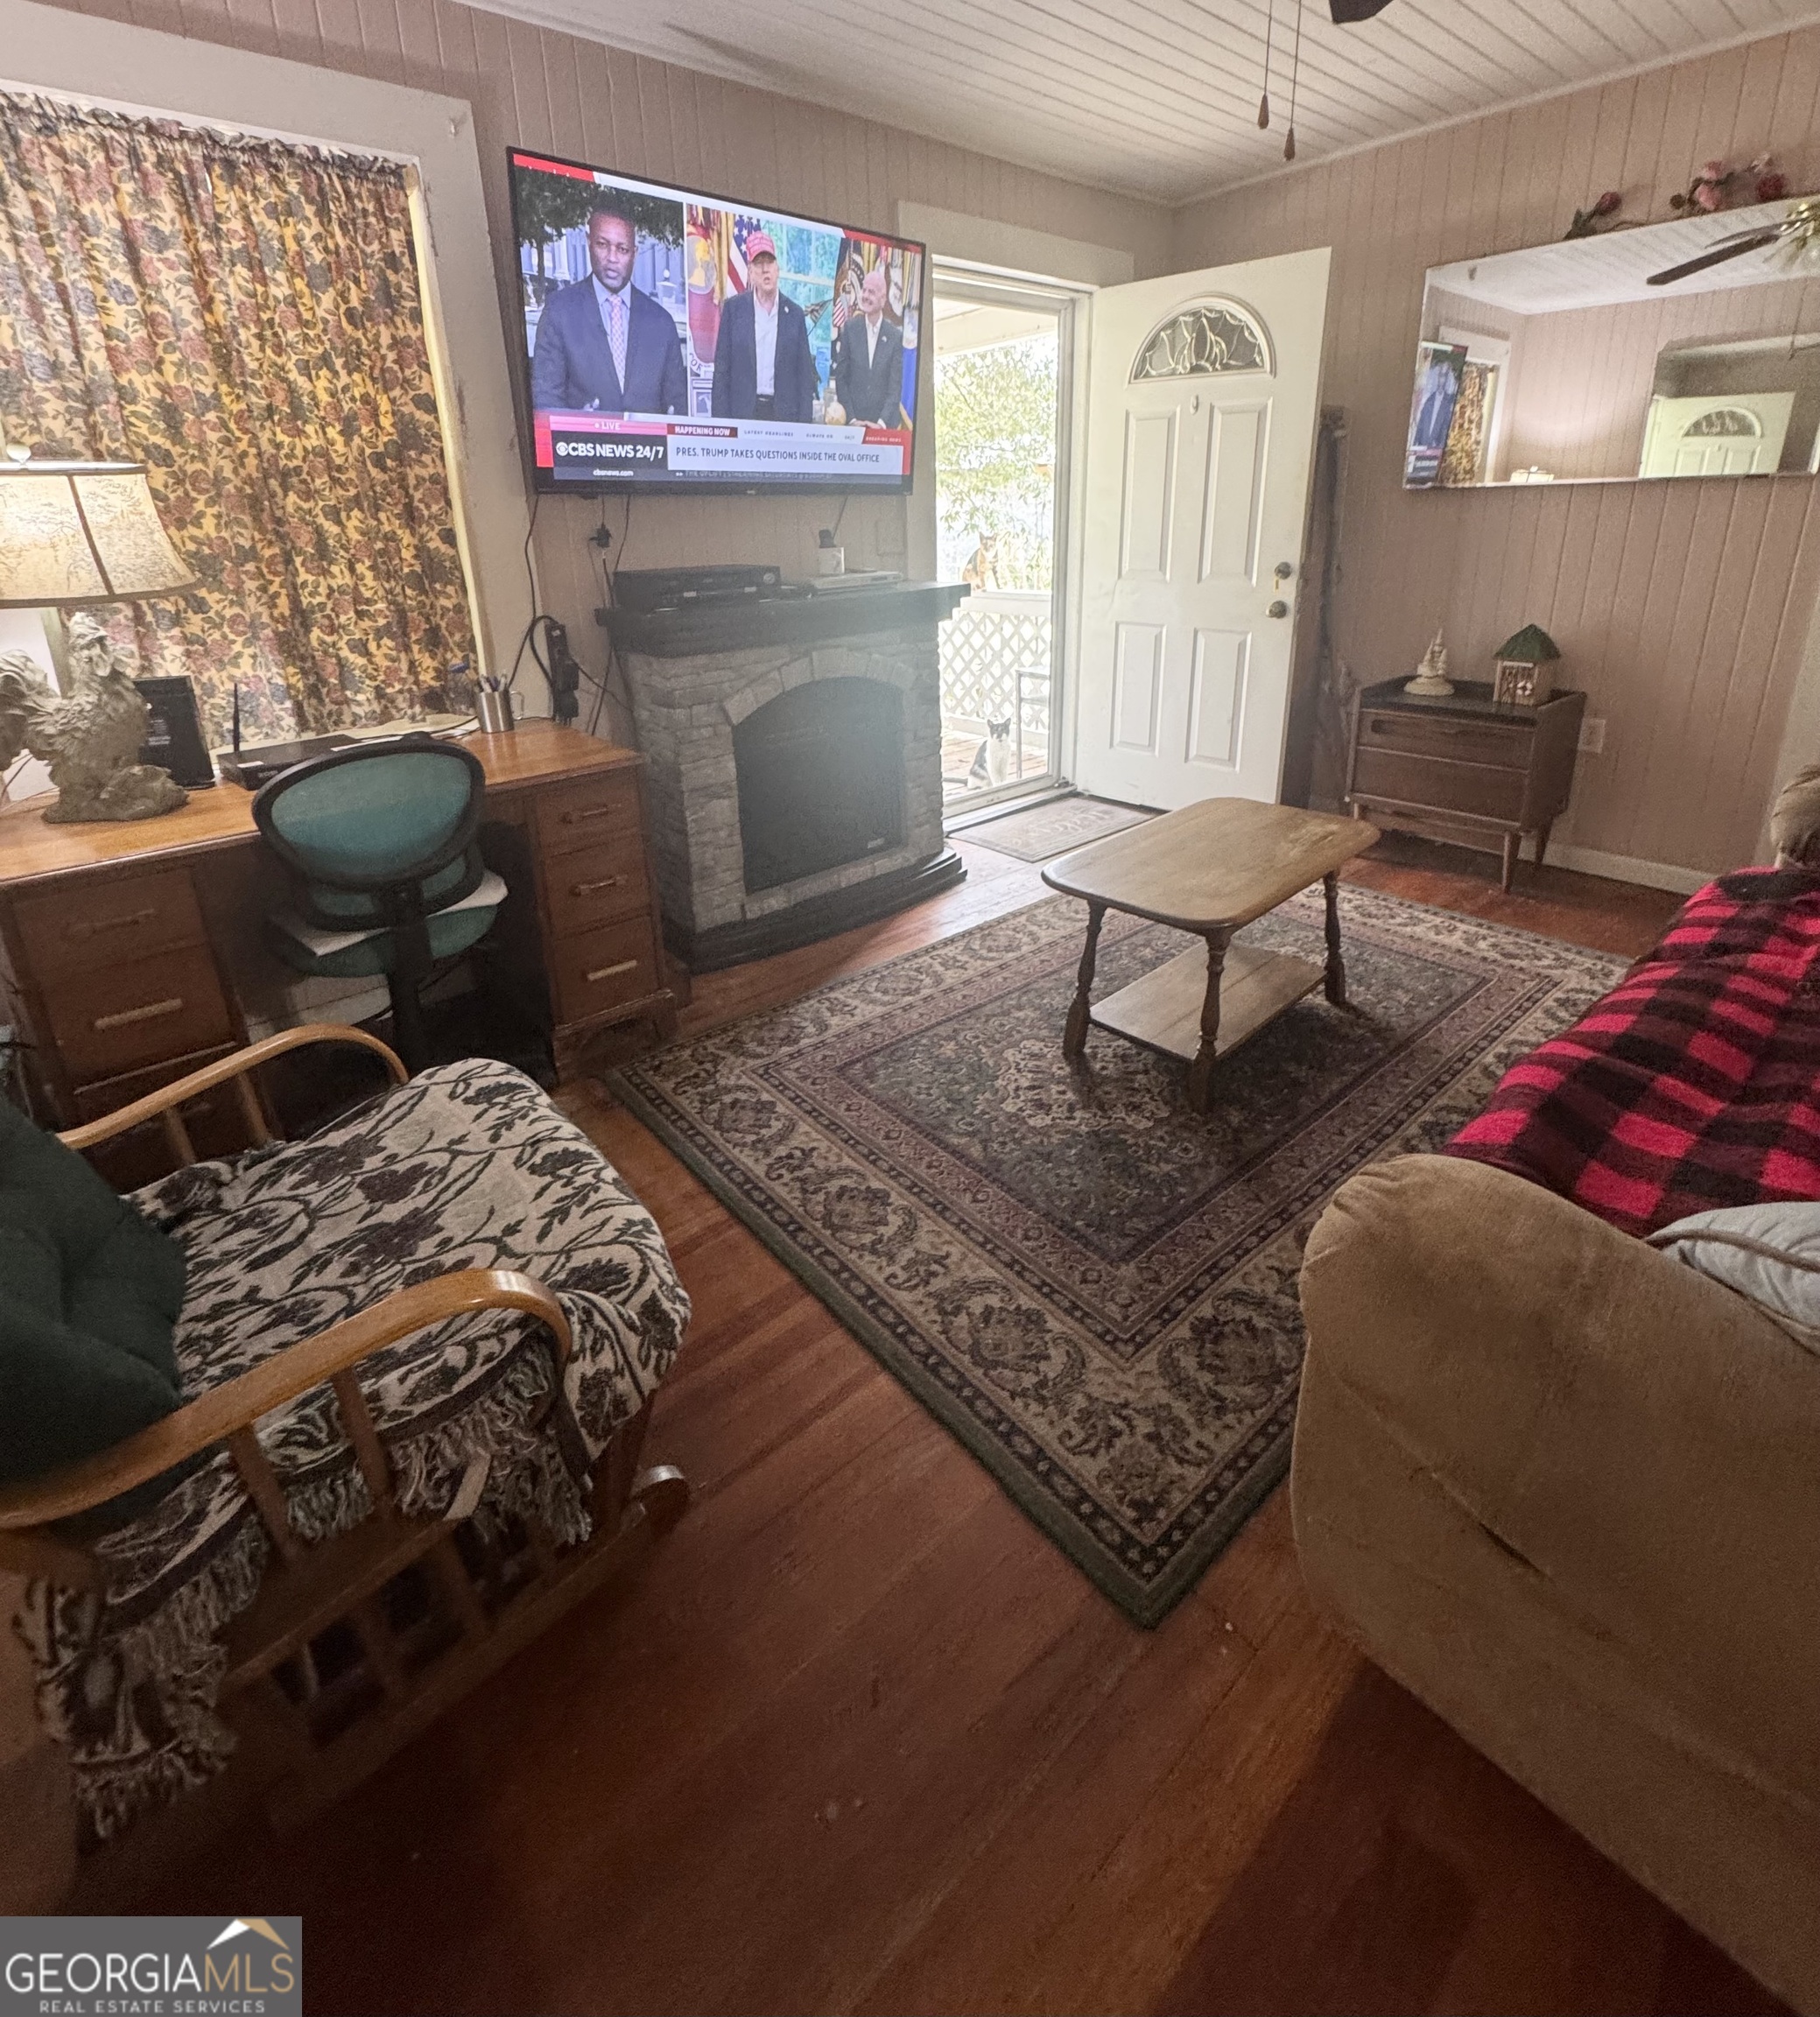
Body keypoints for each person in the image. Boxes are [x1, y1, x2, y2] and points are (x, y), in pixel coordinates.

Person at [530, 201, 688, 417]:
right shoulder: (559, 311)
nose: (612, 258)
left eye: (622, 249)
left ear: (634, 252)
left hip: (649, 449)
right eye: (603, 245)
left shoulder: (662, 322)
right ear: (589, 243)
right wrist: (573, 426)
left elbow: (676, 406)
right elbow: (545, 397)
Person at [709, 231, 818, 423]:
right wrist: (720, 426)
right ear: (750, 272)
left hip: (784, 418)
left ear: (777, 269)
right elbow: (722, 373)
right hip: (742, 416)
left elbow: (804, 378)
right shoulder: (733, 310)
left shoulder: (795, 315)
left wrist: (804, 427)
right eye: (759, 264)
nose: (765, 270)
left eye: (770, 262)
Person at [832, 266, 905, 425]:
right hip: (852, 428)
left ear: (883, 298)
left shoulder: (895, 337)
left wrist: (880, 424)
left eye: (871, 292)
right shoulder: (850, 329)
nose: (865, 296)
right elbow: (841, 379)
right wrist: (852, 419)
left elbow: (895, 388)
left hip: (882, 431)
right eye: (864, 290)